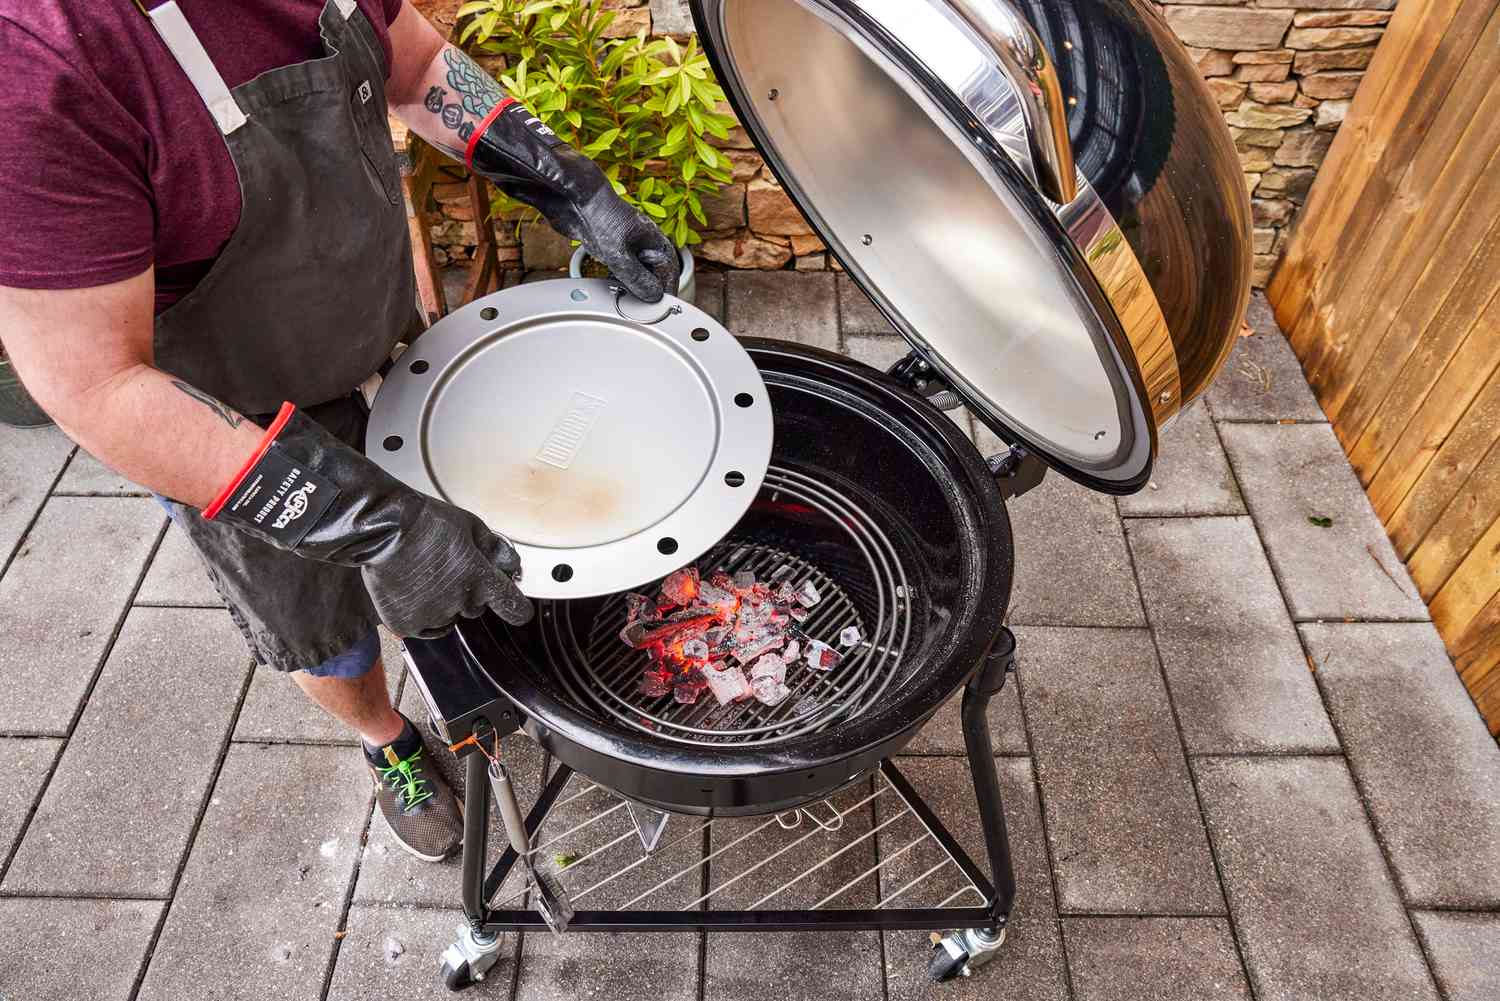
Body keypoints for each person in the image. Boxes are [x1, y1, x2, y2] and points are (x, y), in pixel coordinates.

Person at [0, 0, 678, 863]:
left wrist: (560, 178)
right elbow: (93, 383)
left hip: (386, 336)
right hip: (238, 432)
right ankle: (387, 737)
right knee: (323, 621)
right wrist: (375, 526)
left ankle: (476, 676)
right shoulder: (40, 61)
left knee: (472, 546)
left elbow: (416, 64)